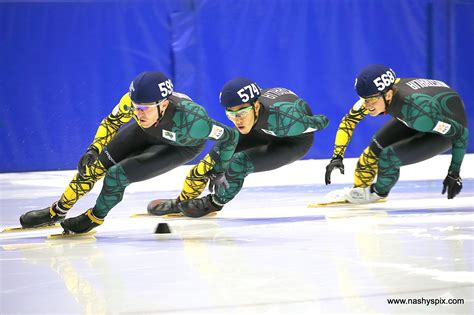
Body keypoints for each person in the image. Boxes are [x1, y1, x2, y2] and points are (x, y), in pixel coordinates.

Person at [19, 71, 239, 233]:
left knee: (116, 176)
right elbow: (111, 122)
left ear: (163, 105)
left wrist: (218, 170)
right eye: (135, 107)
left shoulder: (193, 120)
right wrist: (94, 148)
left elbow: (230, 136)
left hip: (180, 146)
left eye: (144, 109)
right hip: (145, 133)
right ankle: (57, 210)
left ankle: (95, 217)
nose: (138, 112)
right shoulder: (133, 105)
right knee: (93, 168)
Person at [147, 77, 329, 218]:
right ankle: (182, 201)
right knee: (213, 159)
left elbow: (321, 122)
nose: (237, 119)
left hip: (291, 142)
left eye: (241, 113)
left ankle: (213, 204)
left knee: (238, 163)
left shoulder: (287, 119)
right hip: (259, 130)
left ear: (256, 106)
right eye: (231, 114)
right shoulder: (248, 115)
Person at [325, 64, 468, 204]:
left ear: (388, 95)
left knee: (388, 158)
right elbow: (348, 121)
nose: (367, 106)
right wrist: (337, 156)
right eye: (364, 99)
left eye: (372, 100)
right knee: (372, 152)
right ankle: (359, 190)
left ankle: (377, 193)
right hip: (423, 112)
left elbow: (461, 134)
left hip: (444, 129)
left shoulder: (417, 113)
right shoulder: (380, 93)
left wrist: (454, 173)